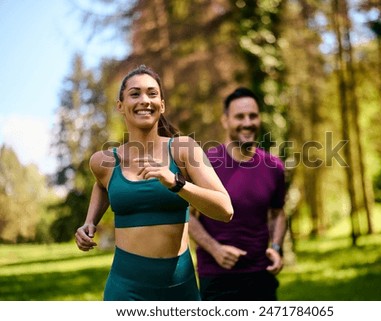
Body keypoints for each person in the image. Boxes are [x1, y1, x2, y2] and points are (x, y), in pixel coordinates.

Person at [74, 65, 233, 301]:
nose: (145, 100)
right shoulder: (104, 162)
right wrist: (90, 221)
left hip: (180, 289)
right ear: (120, 106)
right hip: (126, 290)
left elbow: (225, 209)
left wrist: (177, 184)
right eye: (135, 94)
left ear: (162, 104)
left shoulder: (183, 150)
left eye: (152, 93)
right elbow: (102, 185)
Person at [189, 87, 287, 301]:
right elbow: (188, 216)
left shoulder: (274, 166)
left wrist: (277, 248)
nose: (247, 122)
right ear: (225, 121)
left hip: (262, 276)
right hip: (217, 278)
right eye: (239, 116)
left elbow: (277, 213)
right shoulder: (205, 164)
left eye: (253, 115)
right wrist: (215, 249)